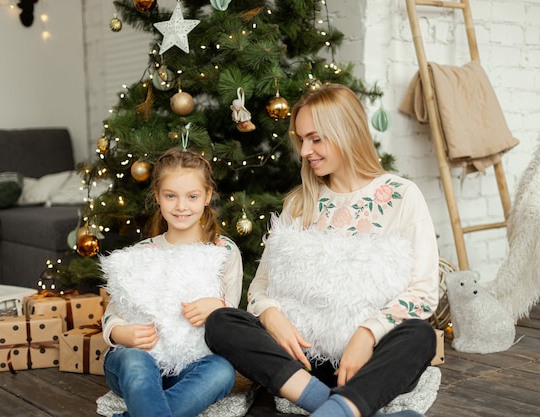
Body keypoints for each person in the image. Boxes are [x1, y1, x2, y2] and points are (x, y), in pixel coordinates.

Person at [205, 83, 439, 417]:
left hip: (367, 362)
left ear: (346, 132)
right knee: (221, 321)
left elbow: (425, 292)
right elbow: (260, 287)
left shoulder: (402, 195)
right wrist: (271, 316)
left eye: (315, 139)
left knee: (419, 335)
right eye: (301, 140)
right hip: (302, 364)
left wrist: (366, 334)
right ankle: (333, 406)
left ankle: (336, 409)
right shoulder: (300, 203)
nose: (304, 151)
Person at [101, 148, 244, 417]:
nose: (181, 206)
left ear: (207, 197)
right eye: (171, 196)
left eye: (192, 196)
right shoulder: (142, 252)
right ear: (157, 197)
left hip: (191, 364)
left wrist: (218, 306)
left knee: (222, 370)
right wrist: (121, 333)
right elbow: (112, 313)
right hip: (139, 360)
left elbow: (231, 317)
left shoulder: (223, 251)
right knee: (135, 362)